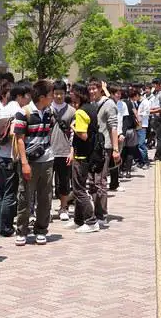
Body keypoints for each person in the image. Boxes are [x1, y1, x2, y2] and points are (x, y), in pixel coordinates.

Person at [13, 80, 55, 246]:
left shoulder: (49, 112)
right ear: (42, 97)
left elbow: (49, 132)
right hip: (29, 162)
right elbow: (19, 140)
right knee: (24, 197)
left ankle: (41, 229)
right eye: (51, 95)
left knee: (46, 197)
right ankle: (22, 230)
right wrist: (24, 163)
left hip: (47, 160)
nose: (53, 98)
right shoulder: (24, 113)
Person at [0, 82, 29, 238]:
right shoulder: (18, 111)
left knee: (1, 193)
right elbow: (15, 135)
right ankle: (6, 228)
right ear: (20, 96)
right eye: (27, 95)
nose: (29, 99)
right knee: (9, 194)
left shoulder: (4, 109)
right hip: (10, 158)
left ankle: (0, 227)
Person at [66, 83, 100, 233]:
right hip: (89, 153)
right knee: (79, 187)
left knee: (79, 189)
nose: (70, 95)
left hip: (82, 155)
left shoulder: (80, 112)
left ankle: (91, 221)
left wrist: (73, 127)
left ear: (78, 94)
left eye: (72, 92)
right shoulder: (91, 108)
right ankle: (78, 220)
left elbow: (83, 135)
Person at [88, 79, 119, 228]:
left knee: (101, 181)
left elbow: (114, 127)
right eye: (91, 88)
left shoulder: (109, 104)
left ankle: (102, 214)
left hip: (104, 146)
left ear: (101, 89)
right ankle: (95, 211)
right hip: (91, 148)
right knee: (92, 182)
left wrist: (115, 149)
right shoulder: (90, 103)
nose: (92, 91)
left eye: (95, 88)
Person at [50, 80, 75, 223]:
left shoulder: (71, 111)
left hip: (64, 151)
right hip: (48, 151)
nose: (59, 96)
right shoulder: (47, 109)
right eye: (56, 93)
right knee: (47, 184)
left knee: (64, 181)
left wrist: (72, 151)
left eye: (61, 94)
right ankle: (45, 209)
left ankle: (64, 207)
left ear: (65, 94)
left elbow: (73, 133)